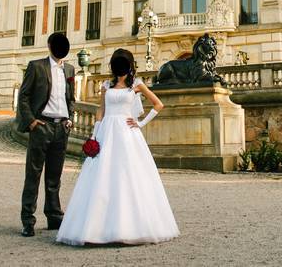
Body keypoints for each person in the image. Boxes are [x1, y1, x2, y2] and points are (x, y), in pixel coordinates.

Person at [55, 49, 178, 246]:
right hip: (106, 131)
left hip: (128, 133)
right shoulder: (106, 85)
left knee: (128, 176)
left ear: (129, 65)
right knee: (101, 176)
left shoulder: (137, 85)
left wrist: (141, 123)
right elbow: (100, 111)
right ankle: (95, 228)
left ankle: (130, 227)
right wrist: (94, 134)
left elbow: (158, 104)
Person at [16, 32, 76, 237]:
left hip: (61, 128)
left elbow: (71, 98)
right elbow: (23, 96)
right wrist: (31, 121)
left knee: (54, 177)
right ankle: (28, 221)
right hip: (42, 126)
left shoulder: (70, 69)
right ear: (50, 45)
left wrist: (70, 117)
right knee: (33, 175)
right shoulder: (36, 66)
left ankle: (53, 216)